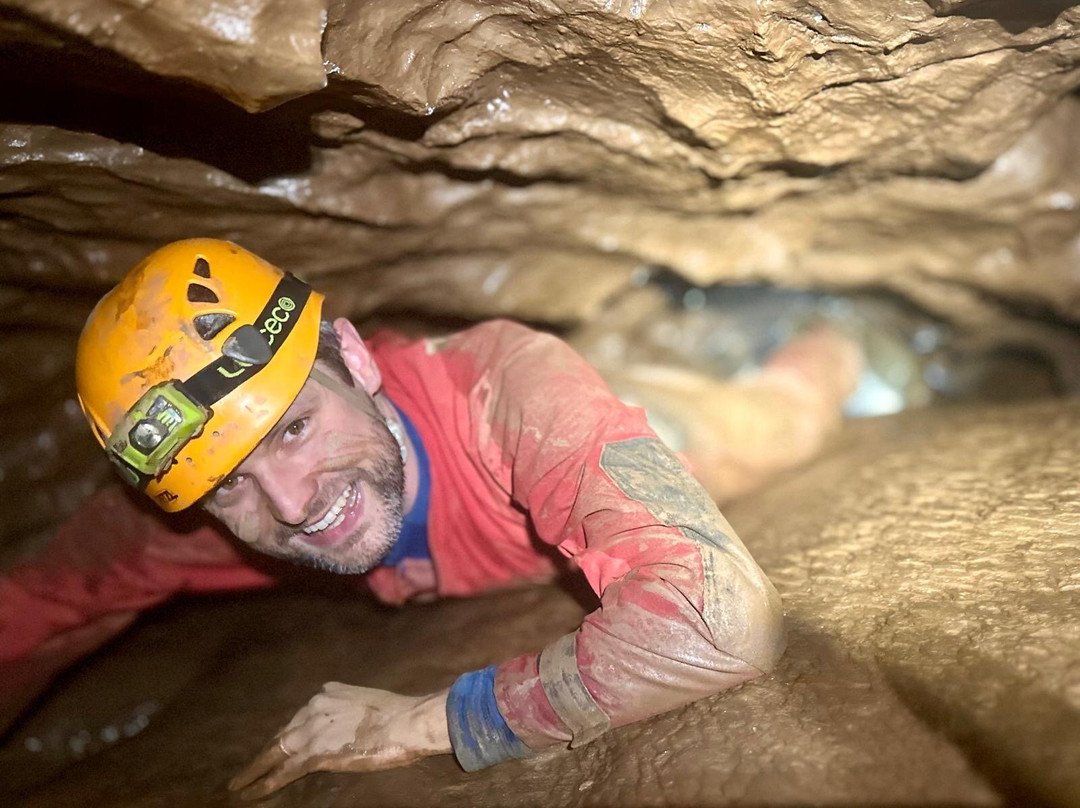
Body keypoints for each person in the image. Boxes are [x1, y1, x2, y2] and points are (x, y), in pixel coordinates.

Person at [0, 239, 855, 799]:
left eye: (293, 428)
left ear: (358, 359)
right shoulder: (191, 521)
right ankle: (653, 322)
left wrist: (432, 719)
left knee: (778, 421)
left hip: (621, 418)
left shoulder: (504, 391)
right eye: (229, 485)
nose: (292, 504)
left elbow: (723, 621)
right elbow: (30, 608)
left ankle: (843, 327)